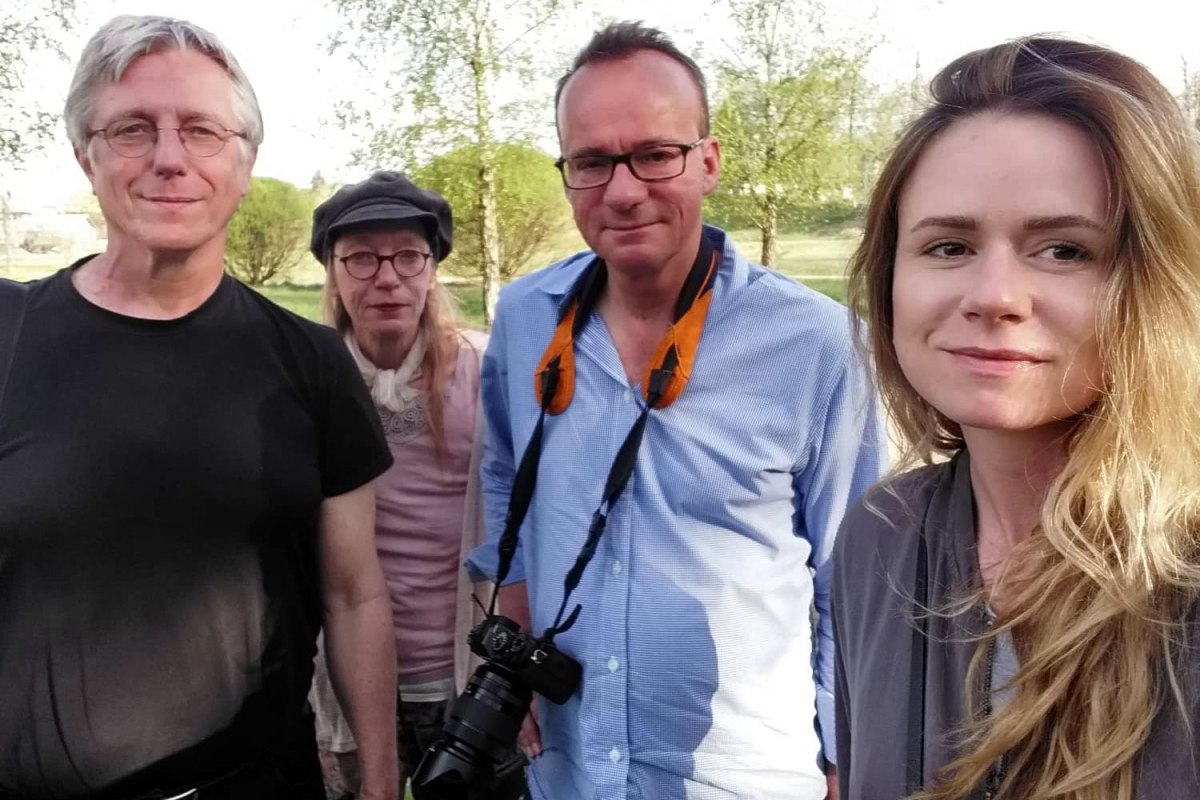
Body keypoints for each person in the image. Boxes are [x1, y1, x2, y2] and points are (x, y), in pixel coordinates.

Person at [466, 21, 887, 800]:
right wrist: (510, 632)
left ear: (710, 162)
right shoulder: (525, 319)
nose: (623, 192)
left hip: (747, 777)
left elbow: (852, 573)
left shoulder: (819, 345)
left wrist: (845, 754)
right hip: (569, 768)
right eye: (591, 162)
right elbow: (502, 482)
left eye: (656, 154)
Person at [0, 16, 399, 800]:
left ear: (245, 163)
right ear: (87, 156)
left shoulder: (313, 362)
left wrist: (382, 783)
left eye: (202, 131)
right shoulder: (7, 334)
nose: (169, 158)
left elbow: (356, 593)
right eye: (132, 129)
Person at [833, 36, 1200, 800]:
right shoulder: (882, 537)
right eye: (949, 244)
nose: (993, 294)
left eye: (1064, 250)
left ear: (1154, 283)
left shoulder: (1184, 570)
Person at [305, 171, 524, 800]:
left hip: (465, 675)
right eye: (362, 258)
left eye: (408, 255)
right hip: (343, 683)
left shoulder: (489, 376)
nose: (387, 276)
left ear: (432, 268)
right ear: (335, 273)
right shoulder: (306, 384)